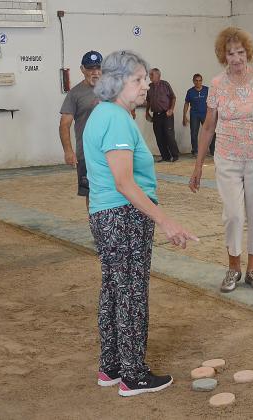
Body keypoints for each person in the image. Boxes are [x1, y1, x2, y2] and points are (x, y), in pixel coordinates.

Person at [83, 50, 198, 397]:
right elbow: (125, 182)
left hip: (106, 214)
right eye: (138, 79)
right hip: (123, 216)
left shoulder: (103, 114)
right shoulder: (116, 119)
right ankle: (134, 374)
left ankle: (113, 367)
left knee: (114, 289)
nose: (146, 84)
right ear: (117, 81)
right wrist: (166, 221)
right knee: (131, 292)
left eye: (144, 78)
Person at [189, 27, 253, 293]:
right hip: (227, 157)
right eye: (230, 53)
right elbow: (207, 127)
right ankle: (234, 268)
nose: (236, 58)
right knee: (234, 215)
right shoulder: (216, 85)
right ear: (223, 55)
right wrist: (198, 167)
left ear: (247, 52)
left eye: (240, 52)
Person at [59, 50, 102, 209]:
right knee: (90, 193)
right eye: (90, 68)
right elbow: (64, 124)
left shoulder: (112, 91)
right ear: (82, 69)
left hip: (112, 151)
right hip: (87, 153)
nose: (95, 72)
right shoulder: (74, 94)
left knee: (117, 189)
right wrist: (68, 151)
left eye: (98, 68)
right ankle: (95, 226)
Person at [145, 68, 180, 162]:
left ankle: (175, 155)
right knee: (159, 136)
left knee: (169, 135)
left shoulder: (165, 84)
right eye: (150, 74)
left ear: (158, 76)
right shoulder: (149, 86)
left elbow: (173, 97)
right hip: (156, 115)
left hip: (167, 114)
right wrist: (147, 112)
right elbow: (148, 100)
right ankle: (165, 157)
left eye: (152, 74)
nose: (150, 76)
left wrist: (171, 109)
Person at [183, 73, 215, 157]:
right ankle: (195, 151)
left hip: (206, 114)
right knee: (194, 133)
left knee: (210, 132)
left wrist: (213, 114)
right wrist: (184, 116)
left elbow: (212, 102)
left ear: (202, 81)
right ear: (193, 81)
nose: (198, 82)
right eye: (196, 81)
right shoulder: (190, 91)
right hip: (194, 115)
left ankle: (213, 151)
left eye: (200, 80)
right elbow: (186, 104)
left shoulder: (207, 90)